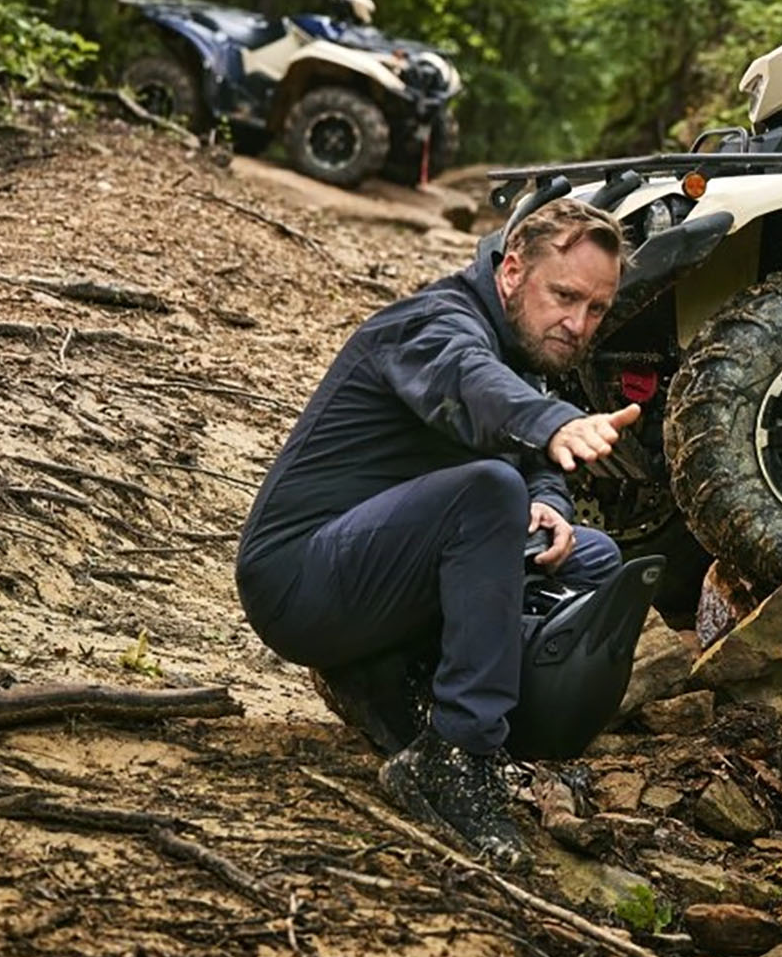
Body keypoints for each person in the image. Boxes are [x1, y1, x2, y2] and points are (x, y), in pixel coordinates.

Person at [235, 196, 641, 869]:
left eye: (596, 309)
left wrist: (552, 509)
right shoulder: (435, 322)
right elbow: (468, 383)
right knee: (488, 492)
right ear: (512, 271)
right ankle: (455, 754)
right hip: (297, 581)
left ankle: (397, 688)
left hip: (379, 580)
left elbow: (531, 466)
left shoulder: (523, 346)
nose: (578, 324)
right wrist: (550, 421)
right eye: (565, 296)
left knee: (593, 556)